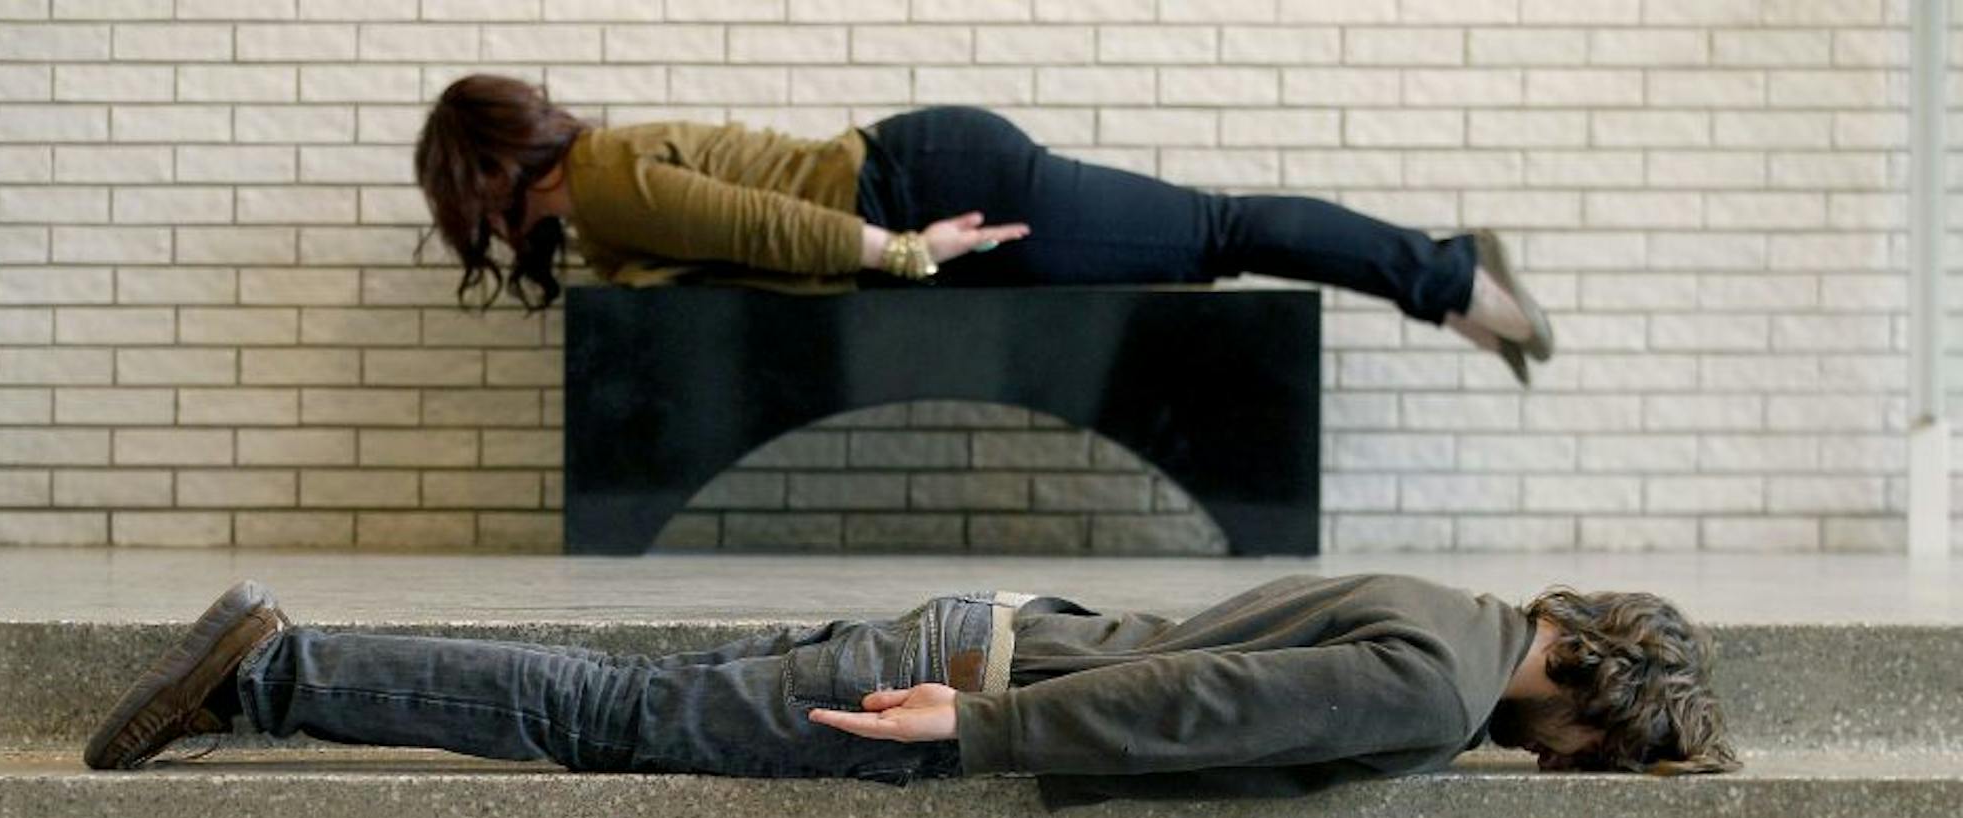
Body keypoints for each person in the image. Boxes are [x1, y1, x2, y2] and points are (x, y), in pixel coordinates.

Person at [80, 574, 1738, 804]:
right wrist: (985, 727)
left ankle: (275, 669)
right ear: (1598, 699)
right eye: (1597, 753)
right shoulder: (1436, 688)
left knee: (621, 696)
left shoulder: (1449, 612)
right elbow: (1206, 708)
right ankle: (272, 674)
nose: (1566, 769)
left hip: (985, 635)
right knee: (610, 718)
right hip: (967, 683)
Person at [414, 77, 1554, 386]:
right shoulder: (602, 194)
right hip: (916, 179)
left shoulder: (600, 178)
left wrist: (910, 252)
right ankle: (1446, 283)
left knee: (1215, 231)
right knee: (1211, 239)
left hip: (926, 190)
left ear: (484, 178)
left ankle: (1450, 274)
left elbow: (762, 225)